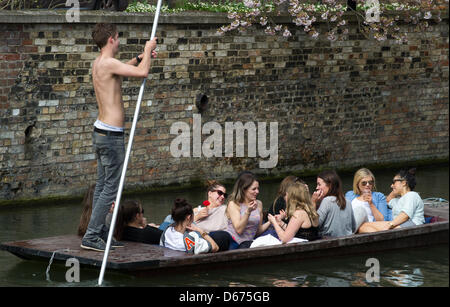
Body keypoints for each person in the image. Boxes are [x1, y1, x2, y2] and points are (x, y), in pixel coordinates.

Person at [81, 23, 158, 251]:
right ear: (111, 40)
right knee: (110, 189)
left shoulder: (100, 63)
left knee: (103, 185)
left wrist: (140, 56)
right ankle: (92, 235)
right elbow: (143, 72)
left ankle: (99, 232)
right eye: (118, 37)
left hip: (102, 132)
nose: (119, 41)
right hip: (111, 136)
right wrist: (149, 48)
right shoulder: (108, 63)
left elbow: (125, 68)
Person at [358, 168, 425, 233]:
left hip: (413, 225)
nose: (391, 185)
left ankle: (381, 236)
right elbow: (387, 200)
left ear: (404, 183)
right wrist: (396, 189)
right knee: (363, 227)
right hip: (400, 225)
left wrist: (388, 226)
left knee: (363, 227)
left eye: (394, 182)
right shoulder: (398, 200)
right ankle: (381, 237)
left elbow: (405, 215)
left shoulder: (412, 195)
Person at [226, 171, 271, 249]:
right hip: (234, 244)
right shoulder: (233, 204)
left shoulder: (259, 204)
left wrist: (271, 221)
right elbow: (239, 230)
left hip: (250, 244)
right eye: (254, 189)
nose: (257, 192)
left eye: (257, 188)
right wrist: (248, 212)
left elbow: (257, 231)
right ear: (244, 190)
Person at [312, 170, 356, 237]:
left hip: (329, 242)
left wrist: (313, 202)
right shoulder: (348, 202)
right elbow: (353, 227)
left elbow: (315, 225)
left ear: (330, 185)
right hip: (347, 240)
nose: (317, 187)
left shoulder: (327, 201)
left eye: (319, 184)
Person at [192, 180, 233, 251]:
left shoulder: (226, 208)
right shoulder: (196, 210)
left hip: (219, 240)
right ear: (210, 193)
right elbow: (184, 226)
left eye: (225, 195)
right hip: (200, 240)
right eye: (220, 193)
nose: (223, 196)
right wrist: (197, 217)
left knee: (221, 236)